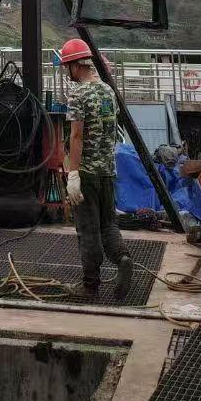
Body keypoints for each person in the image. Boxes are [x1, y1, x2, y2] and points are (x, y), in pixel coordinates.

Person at [59, 37, 132, 301]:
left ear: (75, 66)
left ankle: (90, 286)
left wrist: (73, 174)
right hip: (108, 172)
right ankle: (122, 258)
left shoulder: (78, 95)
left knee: (88, 230)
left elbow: (76, 136)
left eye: (67, 67)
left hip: (87, 174)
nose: (67, 73)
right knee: (108, 224)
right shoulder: (108, 91)